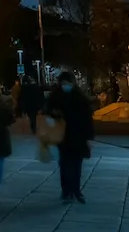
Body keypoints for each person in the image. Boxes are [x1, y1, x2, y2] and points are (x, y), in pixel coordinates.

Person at [47, 72, 96, 203]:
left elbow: (87, 119)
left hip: (78, 135)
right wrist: (54, 114)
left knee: (76, 164)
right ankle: (66, 190)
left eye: (67, 83)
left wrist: (89, 137)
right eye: (63, 84)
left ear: (72, 83)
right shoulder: (56, 97)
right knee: (65, 164)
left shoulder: (80, 98)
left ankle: (75, 190)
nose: (65, 86)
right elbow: (47, 112)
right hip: (62, 136)